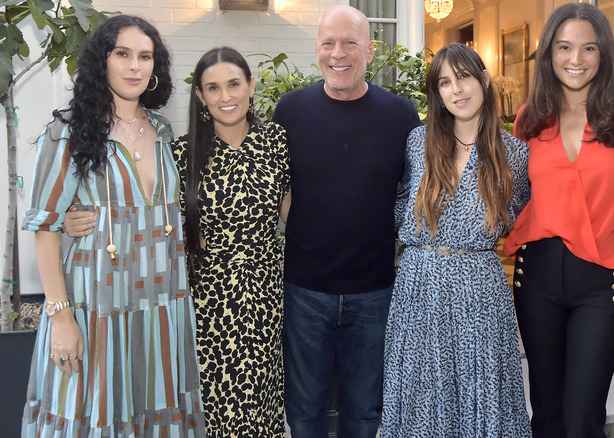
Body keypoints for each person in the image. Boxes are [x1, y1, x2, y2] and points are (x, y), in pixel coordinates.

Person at [20, 15, 205, 436]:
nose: (135, 66)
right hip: (96, 304)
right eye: (123, 54)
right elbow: (45, 226)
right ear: (101, 61)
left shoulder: (162, 129)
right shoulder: (67, 130)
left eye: (145, 56)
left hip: (161, 302)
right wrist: (61, 317)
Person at [502, 4, 614, 437]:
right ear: (549, 53)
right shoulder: (531, 116)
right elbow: (514, 188)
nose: (575, 59)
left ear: (604, 53)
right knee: (546, 411)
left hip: (602, 276)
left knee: (583, 414)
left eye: (588, 48)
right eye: (564, 47)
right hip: (537, 274)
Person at [270, 5, 420, 437]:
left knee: (363, 413)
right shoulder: (290, 111)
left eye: (350, 43)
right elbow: (271, 188)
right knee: (303, 412)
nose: (338, 53)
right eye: (328, 43)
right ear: (316, 49)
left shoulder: (401, 116)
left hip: (375, 291)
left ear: (370, 51)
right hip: (305, 291)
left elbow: (419, 195)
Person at [380, 42, 532, 437]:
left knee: (481, 396)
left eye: (463, 77)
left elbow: (521, 216)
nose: (456, 90)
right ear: (438, 93)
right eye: (445, 82)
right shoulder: (417, 142)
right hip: (419, 288)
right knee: (421, 397)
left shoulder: (515, 153)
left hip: (479, 293)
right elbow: (396, 203)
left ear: (484, 79)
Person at [170, 47, 290, 437]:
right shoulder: (182, 153)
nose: (226, 96)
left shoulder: (277, 142)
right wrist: (76, 217)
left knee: (263, 400)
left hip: (265, 293)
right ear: (201, 97)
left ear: (251, 86)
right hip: (208, 300)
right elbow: (149, 213)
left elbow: (296, 212)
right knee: (216, 405)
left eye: (234, 84)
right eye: (213, 88)